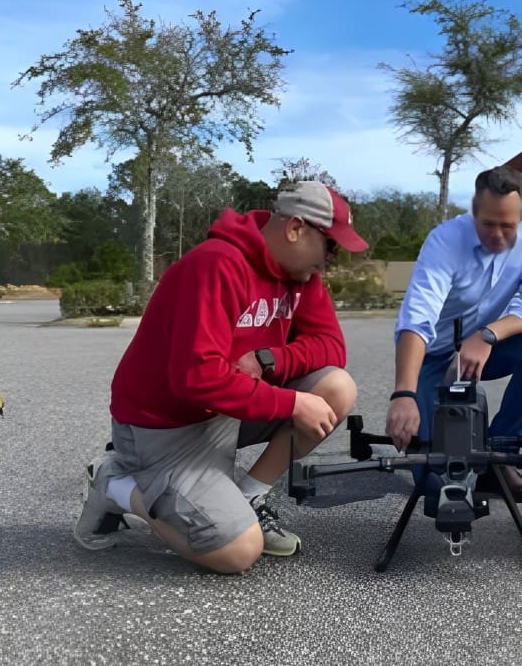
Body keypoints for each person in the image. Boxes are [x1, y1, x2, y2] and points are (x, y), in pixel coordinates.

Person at [73, 180, 368, 574]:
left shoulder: (301, 278)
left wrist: (268, 360)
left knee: (336, 388)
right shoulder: (217, 263)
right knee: (237, 552)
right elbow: (196, 379)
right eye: (330, 245)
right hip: (164, 430)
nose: (331, 259)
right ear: (296, 228)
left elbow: (332, 347)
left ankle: (249, 497)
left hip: (225, 411)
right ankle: (113, 484)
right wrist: (293, 402)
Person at [385, 166, 522, 501]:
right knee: (437, 484)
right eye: (488, 224)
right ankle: (441, 465)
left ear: (520, 217)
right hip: (433, 356)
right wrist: (403, 395)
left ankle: (500, 454)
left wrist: (488, 335)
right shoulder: (445, 240)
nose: (497, 234)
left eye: (507, 226)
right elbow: (417, 317)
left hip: (482, 351)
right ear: (473, 212)